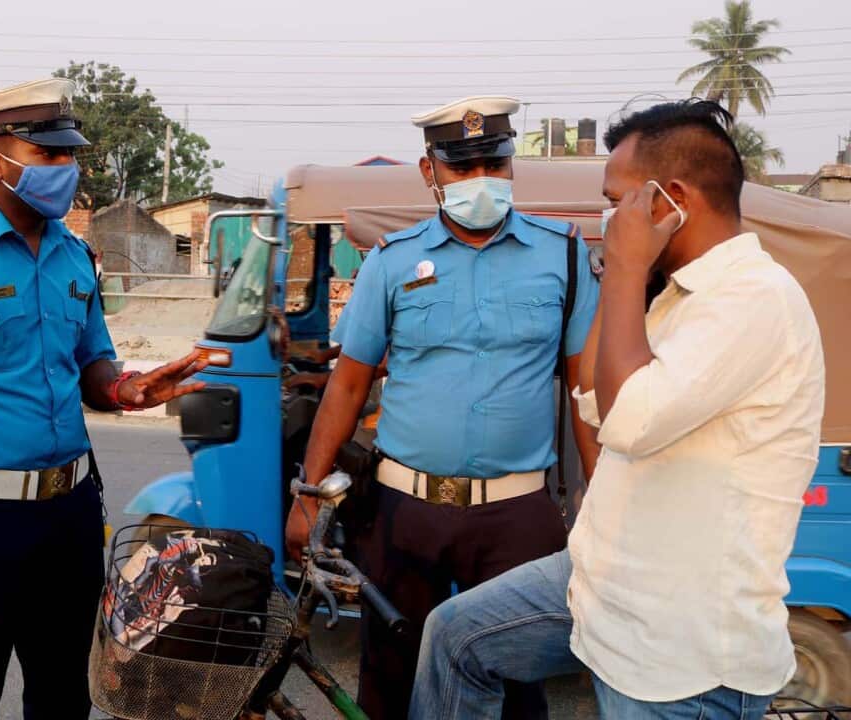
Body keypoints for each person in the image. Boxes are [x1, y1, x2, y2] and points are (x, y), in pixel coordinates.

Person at [409, 99, 825, 720]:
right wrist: (618, 275)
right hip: (606, 586)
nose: (610, 219)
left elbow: (626, 420)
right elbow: (599, 407)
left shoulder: (752, 300)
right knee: (454, 638)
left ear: (670, 199)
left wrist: (629, 267)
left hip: (677, 656)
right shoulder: (678, 296)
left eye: (618, 201)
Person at [0, 78, 207, 720]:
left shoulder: (75, 257)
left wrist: (127, 388)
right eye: (49, 156)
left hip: (70, 515)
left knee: (63, 695)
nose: (67, 169)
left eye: (70, 155)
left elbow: (92, 365)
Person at [285, 95, 602, 719]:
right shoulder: (390, 262)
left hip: (518, 516)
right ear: (430, 172)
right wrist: (309, 494)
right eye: (463, 166)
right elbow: (347, 387)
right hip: (406, 513)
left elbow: (582, 391)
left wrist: (605, 508)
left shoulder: (561, 255)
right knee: (391, 676)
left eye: (494, 161)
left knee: (515, 686)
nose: (481, 177)